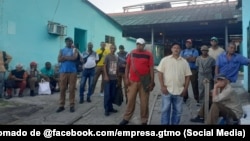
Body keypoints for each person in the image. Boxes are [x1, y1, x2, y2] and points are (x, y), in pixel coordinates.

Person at [119, 38, 155, 125]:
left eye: (141, 44)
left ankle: (144, 120)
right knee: (130, 100)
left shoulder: (149, 54)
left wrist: (152, 81)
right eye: (138, 44)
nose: (139, 46)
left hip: (145, 82)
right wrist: (127, 78)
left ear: (144, 45)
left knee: (144, 102)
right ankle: (126, 118)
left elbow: (151, 68)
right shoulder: (131, 53)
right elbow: (127, 66)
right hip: (132, 82)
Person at [157, 42, 192, 125]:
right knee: (165, 111)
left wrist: (185, 89)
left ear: (180, 50)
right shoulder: (165, 60)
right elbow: (160, 73)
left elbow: (188, 76)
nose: (176, 49)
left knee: (178, 112)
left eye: (178, 48)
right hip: (167, 90)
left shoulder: (184, 62)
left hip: (179, 91)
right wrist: (162, 86)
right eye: (174, 47)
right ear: (171, 49)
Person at [56, 37, 78, 113]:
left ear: (72, 42)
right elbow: (59, 59)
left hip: (72, 72)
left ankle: (72, 105)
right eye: (67, 41)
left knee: (72, 89)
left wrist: (64, 57)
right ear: (65, 42)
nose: (69, 42)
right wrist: (69, 57)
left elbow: (74, 58)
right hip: (63, 72)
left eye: (70, 41)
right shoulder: (61, 50)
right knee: (62, 89)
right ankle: (61, 105)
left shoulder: (74, 50)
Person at [180, 39, 199, 103]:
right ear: (185, 44)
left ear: (191, 44)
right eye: (187, 43)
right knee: (184, 84)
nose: (188, 44)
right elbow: (181, 60)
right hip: (184, 70)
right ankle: (185, 97)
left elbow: (194, 60)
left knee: (194, 84)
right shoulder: (182, 51)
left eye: (189, 43)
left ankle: (197, 97)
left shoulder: (195, 51)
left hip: (193, 70)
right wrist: (189, 58)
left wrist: (185, 58)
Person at [103, 44, 118, 116]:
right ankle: (106, 109)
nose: (113, 49)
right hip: (108, 78)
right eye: (112, 48)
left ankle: (110, 107)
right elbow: (104, 66)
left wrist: (117, 77)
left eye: (114, 48)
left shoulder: (116, 57)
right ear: (110, 49)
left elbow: (116, 68)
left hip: (114, 78)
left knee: (112, 94)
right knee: (107, 94)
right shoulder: (107, 56)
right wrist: (106, 75)